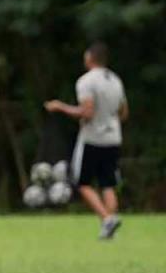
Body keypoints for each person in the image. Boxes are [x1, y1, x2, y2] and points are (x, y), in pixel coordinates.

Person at [44, 42, 128, 240]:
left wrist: (60, 107)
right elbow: (124, 112)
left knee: (82, 183)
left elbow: (87, 112)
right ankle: (110, 227)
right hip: (113, 137)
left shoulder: (86, 81)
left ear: (90, 58)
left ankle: (107, 219)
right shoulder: (115, 79)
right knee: (108, 184)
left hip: (92, 138)